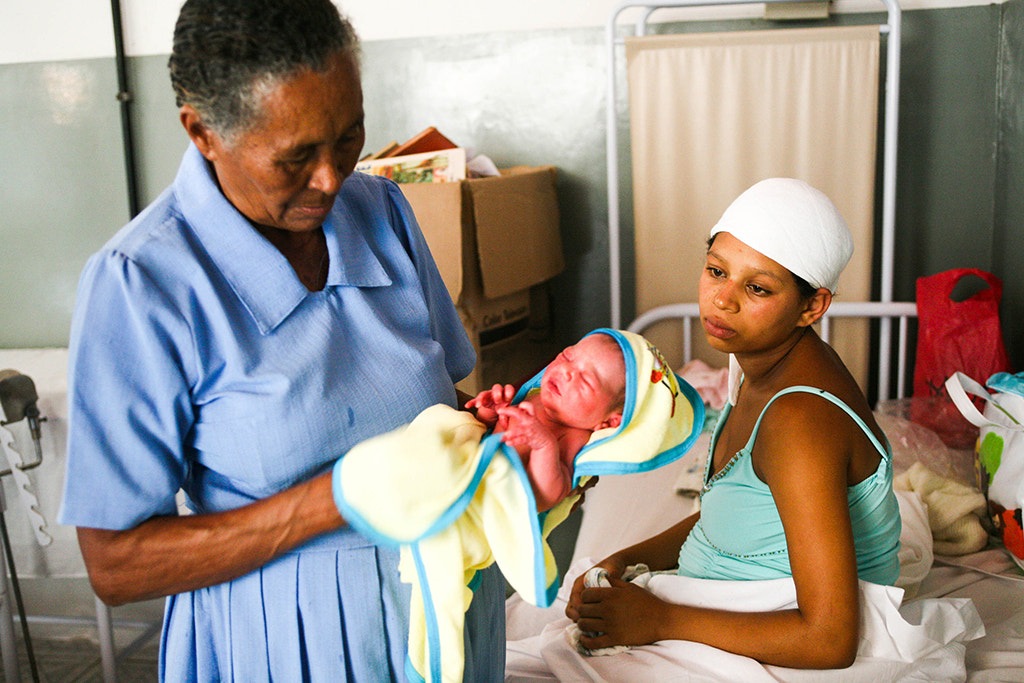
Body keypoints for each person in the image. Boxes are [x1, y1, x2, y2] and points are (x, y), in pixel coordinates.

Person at [57, 1, 505, 680]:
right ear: (203, 132)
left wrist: (524, 427)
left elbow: (445, 398)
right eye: (295, 158)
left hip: (447, 614)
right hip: (287, 645)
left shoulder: (381, 210)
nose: (330, 180)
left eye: (349, 137)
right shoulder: (142, 284)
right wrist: (335, 499)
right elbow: (116, 562)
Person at [565, 178, 902, 670]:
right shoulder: (755, 361)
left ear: (812, 306)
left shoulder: (798, 420)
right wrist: (622, 561)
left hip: (790, 638)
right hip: (727, 601)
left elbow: (830, 640)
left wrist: (660, 619)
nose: (723, 300)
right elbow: (734, 517)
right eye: (716, 271)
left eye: (757, 288)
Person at [466, 331, 626, 511]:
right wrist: (491, 412)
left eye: (586, 381)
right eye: (567, 356)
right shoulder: (535, 398)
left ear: (610, 422)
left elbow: (546, 497)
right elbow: (489, 436)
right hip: (469, 472)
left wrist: (544, 446)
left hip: (494, 504)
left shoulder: (577, 437)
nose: (566, 370)